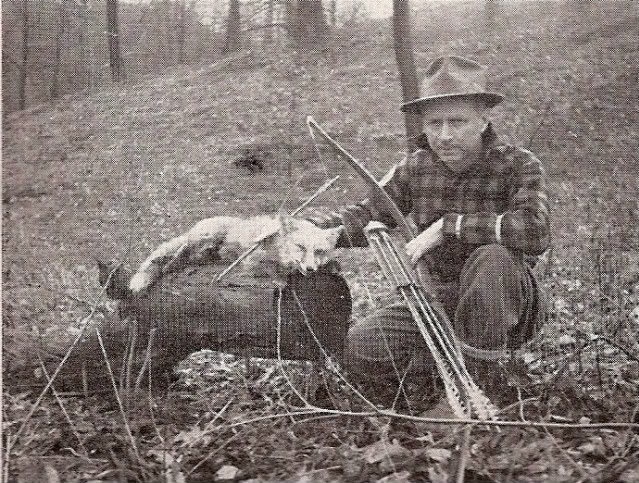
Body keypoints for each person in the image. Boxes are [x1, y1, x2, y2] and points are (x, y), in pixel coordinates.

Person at [308, 55, 551, 406]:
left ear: (483, 120)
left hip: (510, 305)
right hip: (436, 302)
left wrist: (449, 226)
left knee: (492, 258)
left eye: (458, 122)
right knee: (358, 350)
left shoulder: (519, 164)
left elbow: (536, 230)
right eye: (434, 124)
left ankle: (480, 392)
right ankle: (429, 385)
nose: (445, 135)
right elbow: (371, 211)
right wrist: (316, 230)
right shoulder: (416, 166)